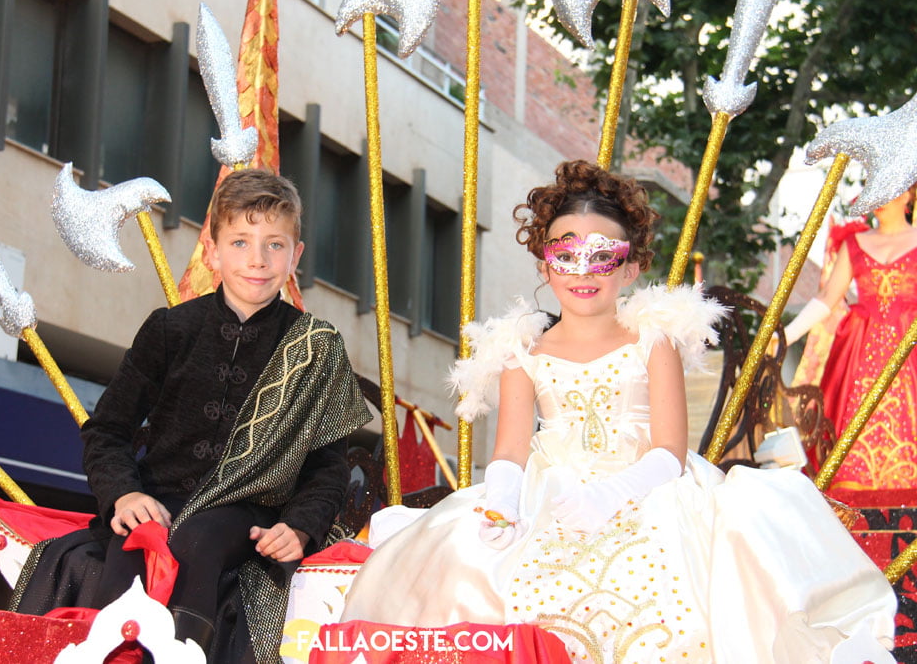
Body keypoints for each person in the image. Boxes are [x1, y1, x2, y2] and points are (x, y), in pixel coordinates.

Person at [340, 160, 897, 663]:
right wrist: (504, 502)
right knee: (473, 571)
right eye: (566, 252)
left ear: (629, 269)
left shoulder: (651, 340)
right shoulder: (522, 351)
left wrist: (612, 494)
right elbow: (508, 448)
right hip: (546, 496)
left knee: (680, 592)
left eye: (602, 254)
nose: (584, 270)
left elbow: (671, 450)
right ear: (544, 264)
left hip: (651, 493)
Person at [11, 169, 372, 663]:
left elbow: (328, 467)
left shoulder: (319, 347)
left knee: (197, 537)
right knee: (136, 546)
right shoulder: (170, 328)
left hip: (252, 513)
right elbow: (108, 431)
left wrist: (301, 527)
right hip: (158, 501)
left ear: (296, 256)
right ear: (212, 248)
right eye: (241, 242)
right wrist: (125, 493)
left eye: (274, 245)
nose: (257, 260)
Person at [781, 182, 917, 491]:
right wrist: (783, 337)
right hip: (859, 357)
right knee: (848, 451)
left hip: (909, 356)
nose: (880, 199)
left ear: (909, 195)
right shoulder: (853, 244)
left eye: (891, 190)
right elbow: (826, 300)